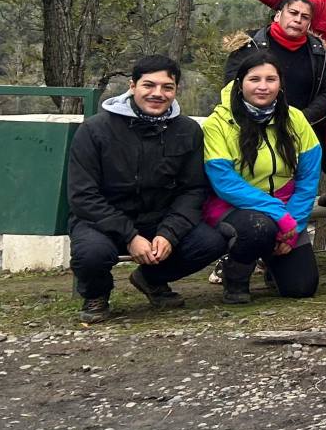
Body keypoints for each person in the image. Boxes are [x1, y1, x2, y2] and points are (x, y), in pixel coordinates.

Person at [63, 55, 227, 323]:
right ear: (132, 85)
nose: (157, 94)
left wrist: (169, 233)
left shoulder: (187, 131)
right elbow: (83, 196)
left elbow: (193, 190)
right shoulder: (95, 130)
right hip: (102, 221)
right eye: (148, 85)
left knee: (212, 240)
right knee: (92, 253)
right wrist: (130, 236)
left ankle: (151, 279)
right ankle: (96, 295)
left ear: (175, 90)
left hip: (158, 219)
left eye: (167, 87)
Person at [201, 51, 323, 304]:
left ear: (280, 85)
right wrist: (279, 214)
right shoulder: (218, 123)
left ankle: (272, 261)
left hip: (286, 209)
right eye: (254, 79)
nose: (263, 87)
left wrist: (295, 224)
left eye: (271, 79)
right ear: (240, 83)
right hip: (234, 206)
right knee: (259, 228)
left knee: (301, 287)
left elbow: (308, 178)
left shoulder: (295, 119)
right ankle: (235, 275)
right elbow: (224, 182)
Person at [224, 0, 326, 142]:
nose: (298, 20)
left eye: (305, 17)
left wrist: (300, 119)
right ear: (278, 15)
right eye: (293, 13)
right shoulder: (249, 46)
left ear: (309, 24)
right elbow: (231, 86)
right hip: (252, 131)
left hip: (301, 133)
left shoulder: (319, 52)